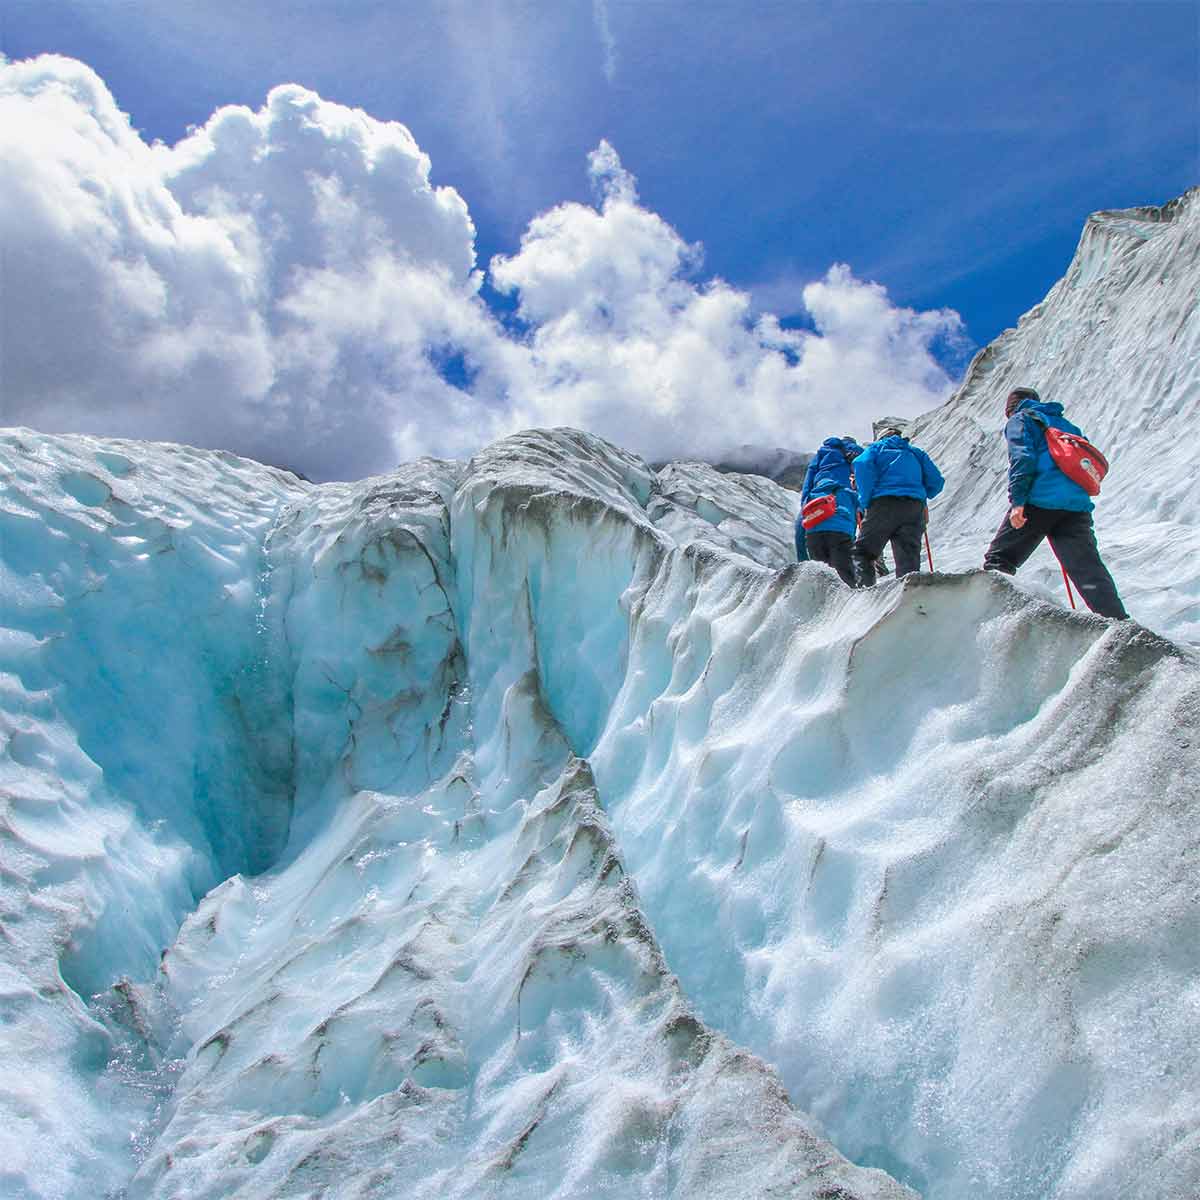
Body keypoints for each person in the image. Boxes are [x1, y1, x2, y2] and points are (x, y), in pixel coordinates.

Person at [983, 387, 1127, 619]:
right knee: (1088, 570)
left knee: (1000, 560)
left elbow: (1022, 458)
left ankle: (988, 617)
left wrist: (1018, 502)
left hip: (1039, 501)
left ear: (1010, 408)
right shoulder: (1066, 424)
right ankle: (1119, 622)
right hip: (1076, 507)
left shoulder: (1020, 420)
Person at [852, 428, 944, 586]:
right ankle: (909, 599)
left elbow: (862, 466)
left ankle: (865, 595)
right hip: (915, 508)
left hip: (883, 504)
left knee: (863, 553)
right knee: (908, 561)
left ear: (880, 438)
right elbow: (937, 481)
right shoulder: (916, 453)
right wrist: (922, 494)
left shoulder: (875, 449)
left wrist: (865, 501)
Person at [798, 436, 863, 585]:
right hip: (841, 529)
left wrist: (805, 505)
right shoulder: (858, 455)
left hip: (814, 525)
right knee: (845, 576)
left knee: (821, 579)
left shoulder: (822, 453)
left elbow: (808, 480)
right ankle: (848, 604)